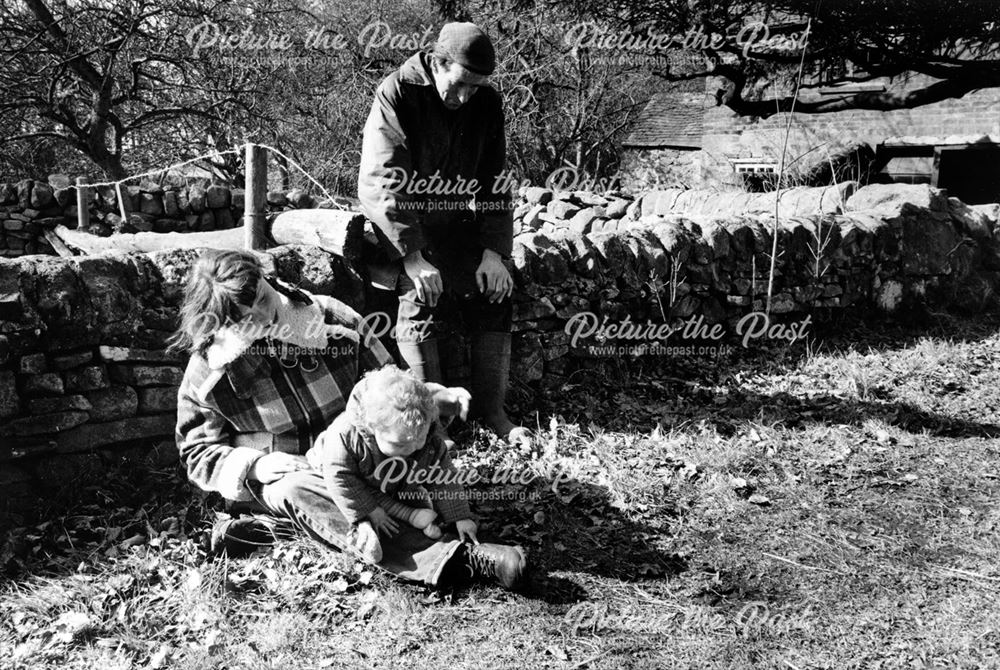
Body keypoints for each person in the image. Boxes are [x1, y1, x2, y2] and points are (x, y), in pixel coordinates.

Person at [171, 250, 527, 590]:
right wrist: (258, 466)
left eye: (264, 300)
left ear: (268, 279)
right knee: (297, 491)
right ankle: (456, 560)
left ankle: (268, 531)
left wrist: (430, 397)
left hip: (363, 459)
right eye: (245, 319)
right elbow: (197, 453)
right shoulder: (210, 372)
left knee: (422, 460)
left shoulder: (331, 320)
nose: (264, 319)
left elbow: (391, 387)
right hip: (299, 474)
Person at [358, 21, 530, 447]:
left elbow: (494, 181)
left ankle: (492, 413)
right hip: (401, 228)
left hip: (453, 225)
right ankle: (431, 425)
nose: (465, 96)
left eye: (475, 87)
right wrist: (413, 257)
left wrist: (494, 252)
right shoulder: (397, 92)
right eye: (459, 84)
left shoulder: (486, 102)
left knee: (498, 290)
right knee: (419, 296)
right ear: (437, 63)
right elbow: (382, 180)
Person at [306, 365, 525, 590]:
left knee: (424, 504)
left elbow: (442, 475)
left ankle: (458, 539)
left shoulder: (420, 433)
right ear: (373, 427)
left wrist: (459, 515)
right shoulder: (344, 438)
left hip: (392, 482)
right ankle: (453, 559)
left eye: (417, 441)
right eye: (400, 444)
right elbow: (340, 477)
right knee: (373, 521)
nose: (411, 449)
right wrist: (369, 511)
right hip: (350, 485)